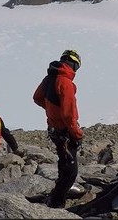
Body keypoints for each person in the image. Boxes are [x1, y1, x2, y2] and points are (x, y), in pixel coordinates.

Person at [33, 49, 84, 209]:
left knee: (64, 162)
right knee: (71, 170)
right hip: (65, 131)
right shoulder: (66, 83)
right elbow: (69, 115)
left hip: (53, 128)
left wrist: (51, 110)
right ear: (74, 65)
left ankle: (59, 192)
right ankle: (56, 202)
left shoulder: (49, 79)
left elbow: (37, 98)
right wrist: (77, 134)